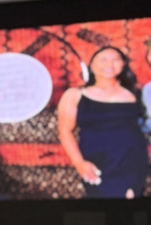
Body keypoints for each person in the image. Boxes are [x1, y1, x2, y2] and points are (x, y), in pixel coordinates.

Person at [58, 45, 149, 199]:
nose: (109, 64)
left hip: (133, 161)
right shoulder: (75, 95)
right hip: (97, 162)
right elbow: (64, 132)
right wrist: (79, 163)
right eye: (103, 60)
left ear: (123, 65)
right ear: (92, 66)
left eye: (116, 60)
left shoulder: (135, 94)